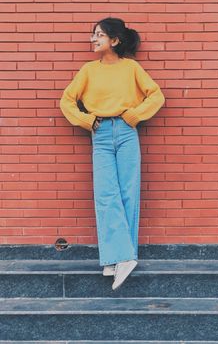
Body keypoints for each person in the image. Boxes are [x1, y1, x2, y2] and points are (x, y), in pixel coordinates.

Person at [60, 17, 165, 290]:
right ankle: (120, 256)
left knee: (128, 193)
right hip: (101, 133)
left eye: (99, 35)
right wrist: (87, 120)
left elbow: (156, 95)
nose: (93, 40)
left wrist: (135, 116)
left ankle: (120, 259)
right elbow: (67, 100)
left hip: (127, 131)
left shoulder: (131, 68)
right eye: (93, 35)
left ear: (115, 41)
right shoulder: (88, 70)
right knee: (106, 193)